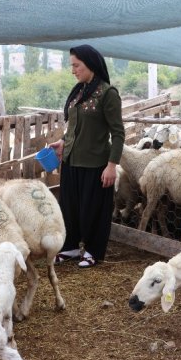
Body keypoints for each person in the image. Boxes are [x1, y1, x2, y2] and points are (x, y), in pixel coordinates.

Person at [48, 45, 124, 268]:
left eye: (76, 65)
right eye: (72, 65)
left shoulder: (108, 93)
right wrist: (63, 141)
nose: (73, 70)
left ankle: (93, 251)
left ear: (90, 64)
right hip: (71, 160)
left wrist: (112, 166)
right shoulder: (79, 91)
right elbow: (75, 126)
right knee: (70, 207)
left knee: (92, 209)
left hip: (95, 163)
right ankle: (70, 247)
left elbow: (118, 133)